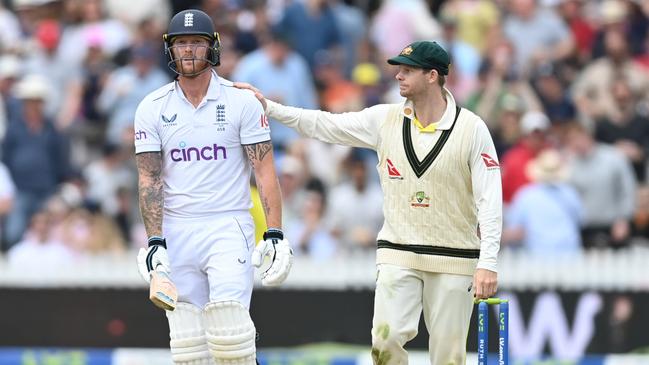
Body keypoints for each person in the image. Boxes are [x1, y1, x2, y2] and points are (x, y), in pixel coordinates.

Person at [237, 40, 502, 364]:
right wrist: (270, 108)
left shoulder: (472, 129)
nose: (398, 77)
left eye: (408, 70)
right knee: (384, 341)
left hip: (454, 256)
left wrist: (487, 261)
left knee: (448, 357)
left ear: (432, 76)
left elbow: (491, 198)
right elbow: (325, 125)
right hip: (398, 251)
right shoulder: (385, 120)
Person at [133, 10, 292, 365]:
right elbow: (149, 178)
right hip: (176, 227)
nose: (189, 51)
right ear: (170, 50)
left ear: (212, 47)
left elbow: (265, 170)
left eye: (197, 42)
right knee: (190, 345)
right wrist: (154, 241)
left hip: (227, 224)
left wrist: (276, 233)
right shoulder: (151, 107)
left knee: (229, 331)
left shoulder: (241, 101)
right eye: (181, 43)